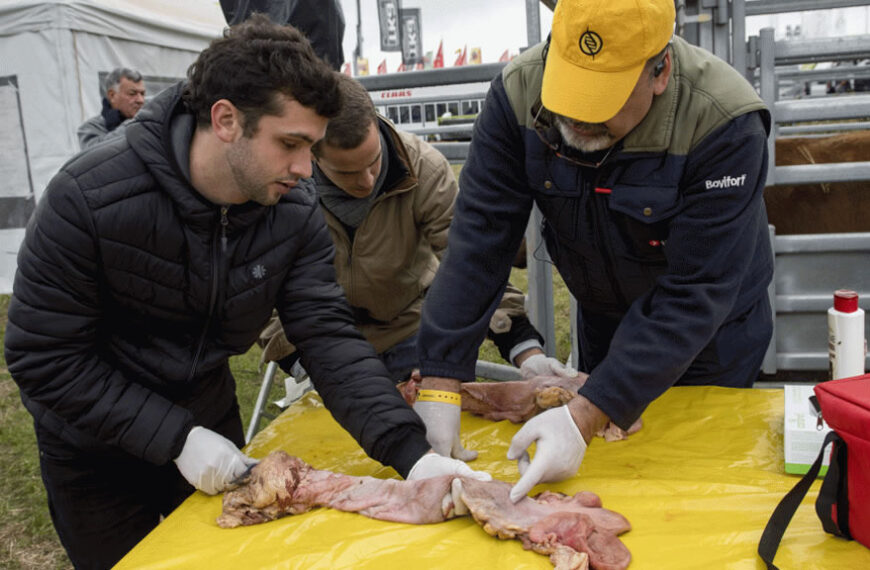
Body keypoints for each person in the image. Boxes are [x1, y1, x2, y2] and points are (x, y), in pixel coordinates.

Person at [4, 16, 486, 570]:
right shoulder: (87, 199)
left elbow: (326, 336)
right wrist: (176, 440)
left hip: (211, 425)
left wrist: (412, 454)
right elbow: (44, 356)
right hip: (95, 451)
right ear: (226, 119)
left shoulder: (293, 211)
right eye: (291, 144)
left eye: (313, 147)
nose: (307, 170)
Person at [415, 0, 774, 502]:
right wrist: (440, 378)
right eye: (572, 87)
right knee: (611, 476)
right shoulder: (517, 94)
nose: (580, 115)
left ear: (660, 71)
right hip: (605, 316)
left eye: (603, 96)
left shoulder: (721, 122)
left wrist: (585, 414)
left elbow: (698, 289)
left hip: (709, 335)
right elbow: (479, 241)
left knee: (693, 482)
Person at [257, 75, 573, 458]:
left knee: (436, 446)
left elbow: (472, 265)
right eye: (347, 173)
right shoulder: (282, 187)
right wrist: (305, 364)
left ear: (376, 124)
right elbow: (261, 288)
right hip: (324, 345)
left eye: (374, 162)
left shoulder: (424, 168)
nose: (368, 180)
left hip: (410, 330)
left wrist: (525, 351)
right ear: (313, 157)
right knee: (335, 457)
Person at [76, 67, 146, 150]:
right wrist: (133, 124)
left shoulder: (149, 122)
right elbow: (94, 155)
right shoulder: (90, 128)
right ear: (112, 95)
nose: (140, 100)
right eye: (132, 93)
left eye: (142, 94)